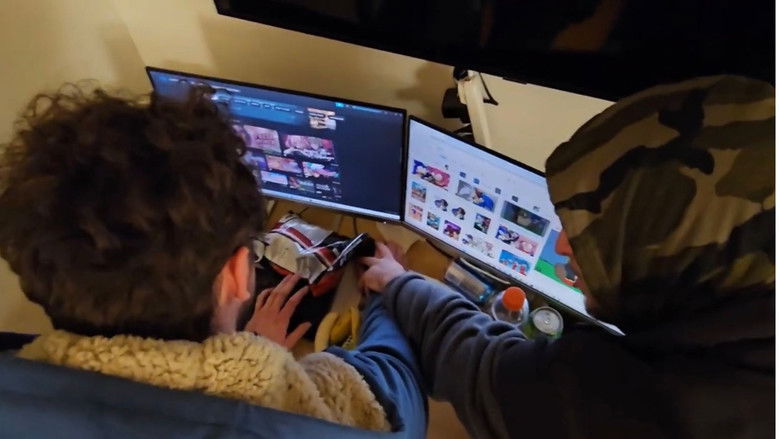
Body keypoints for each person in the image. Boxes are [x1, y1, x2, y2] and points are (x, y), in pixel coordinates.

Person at [360, 75, 774, 438]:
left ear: (670, 255)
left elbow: (480, 369)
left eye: (600, 237)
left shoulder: (648, 402)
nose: (561, 247)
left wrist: (397, 284)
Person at [0, 86, 426, 437]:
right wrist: (389, 290)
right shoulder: (287, 413)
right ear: (239, 273)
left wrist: (247, 347)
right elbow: (394, 398)